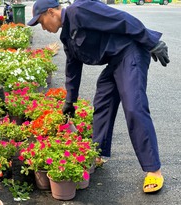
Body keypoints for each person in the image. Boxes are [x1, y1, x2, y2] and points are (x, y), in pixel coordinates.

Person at [27, 0, 169, 193]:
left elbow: (122, 19)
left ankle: (154, 170)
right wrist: (70, 100)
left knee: (134, 106)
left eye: (41, 21)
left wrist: (152, 42)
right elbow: (73, 67)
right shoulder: (67, 36)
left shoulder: (80, 10)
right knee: (102, 99)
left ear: (51, 12)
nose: (43, 27)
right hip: (116, 60)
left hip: (130, 52)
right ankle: (97, 153)